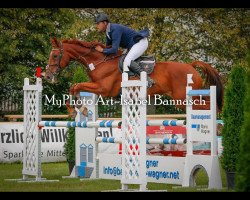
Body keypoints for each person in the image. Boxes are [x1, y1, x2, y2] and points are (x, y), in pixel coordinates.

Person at [94, 13, 154, 88]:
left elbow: (114, 49)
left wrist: (102, 50)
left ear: (105, 23)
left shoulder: (115, 29)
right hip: (132, 45)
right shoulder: (108, 32)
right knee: (122, 59)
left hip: (140, 43)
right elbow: (108, 47)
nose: (96, 26)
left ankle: (148, 80)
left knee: (127, 60)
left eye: (98, 24)